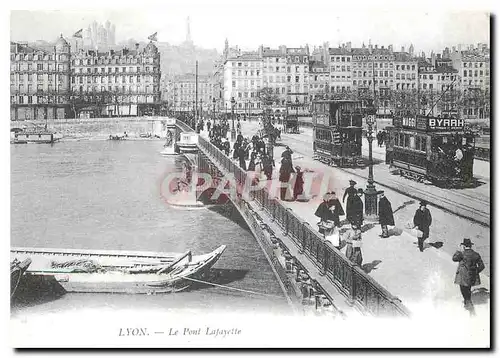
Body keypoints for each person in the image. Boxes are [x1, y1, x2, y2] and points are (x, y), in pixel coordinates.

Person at [452, 238, 485, 316]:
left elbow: (454, 259)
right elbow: (482, 266)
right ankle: (468, 306)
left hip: (462, 278)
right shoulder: (476, 254)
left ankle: (470, 310)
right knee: (468, 291)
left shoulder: (461, 254)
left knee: (465, 293)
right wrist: (475, 272)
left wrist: (458, 251)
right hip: (471, 277)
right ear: (471, 246)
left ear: (463, 246)